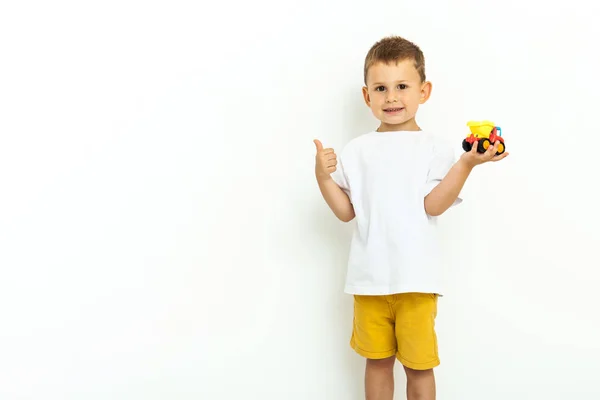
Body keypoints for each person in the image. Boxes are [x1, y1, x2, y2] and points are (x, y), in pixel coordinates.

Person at [313, 36, 508, 400]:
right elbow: (344, 213)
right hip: (369, 282)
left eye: (402, 86)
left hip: (416, 281)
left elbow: (433, 205)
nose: (391, 97)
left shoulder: (435, 147)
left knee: (420, 366)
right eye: (381, 88)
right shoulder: (357, 151)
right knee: (376, 363)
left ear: (424, 91)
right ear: (367, 96)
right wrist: (324, 178)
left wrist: (466, 163)